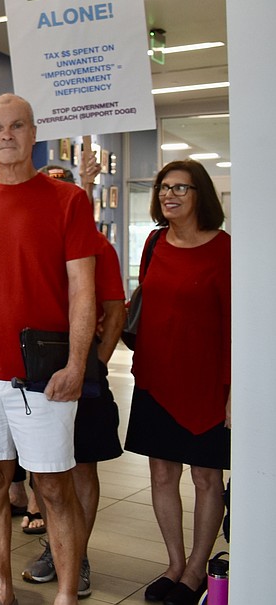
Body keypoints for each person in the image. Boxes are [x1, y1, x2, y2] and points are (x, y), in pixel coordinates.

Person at [0, 93, 100, 605]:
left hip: (43, 373)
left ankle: (67, 595)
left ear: (33, 134)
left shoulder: (69, 201)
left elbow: (83, 290)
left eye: (16, 126)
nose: (5, 135)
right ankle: (1, 590)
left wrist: (78, 364)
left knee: (54, 488)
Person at [126, 160, 229, 605]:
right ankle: (174, 563)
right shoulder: (154, 242)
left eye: (180, 189)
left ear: (200, 195)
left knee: (207, 477)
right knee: (161, 471)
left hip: (207, 382)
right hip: (156, 377)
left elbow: (234, 326)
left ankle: (196, 571)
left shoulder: (225, 250)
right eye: (164, 188)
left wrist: (232, 393)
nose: (169, 195)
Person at [22, 165, 126, 596]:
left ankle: (76, 557)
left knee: (81, 466)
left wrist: (89, 366)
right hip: (32, 374)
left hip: (83, 374)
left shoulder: (98, 245)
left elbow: (115, 311)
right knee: (43, 471)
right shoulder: (27, 239)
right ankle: (56, 547)